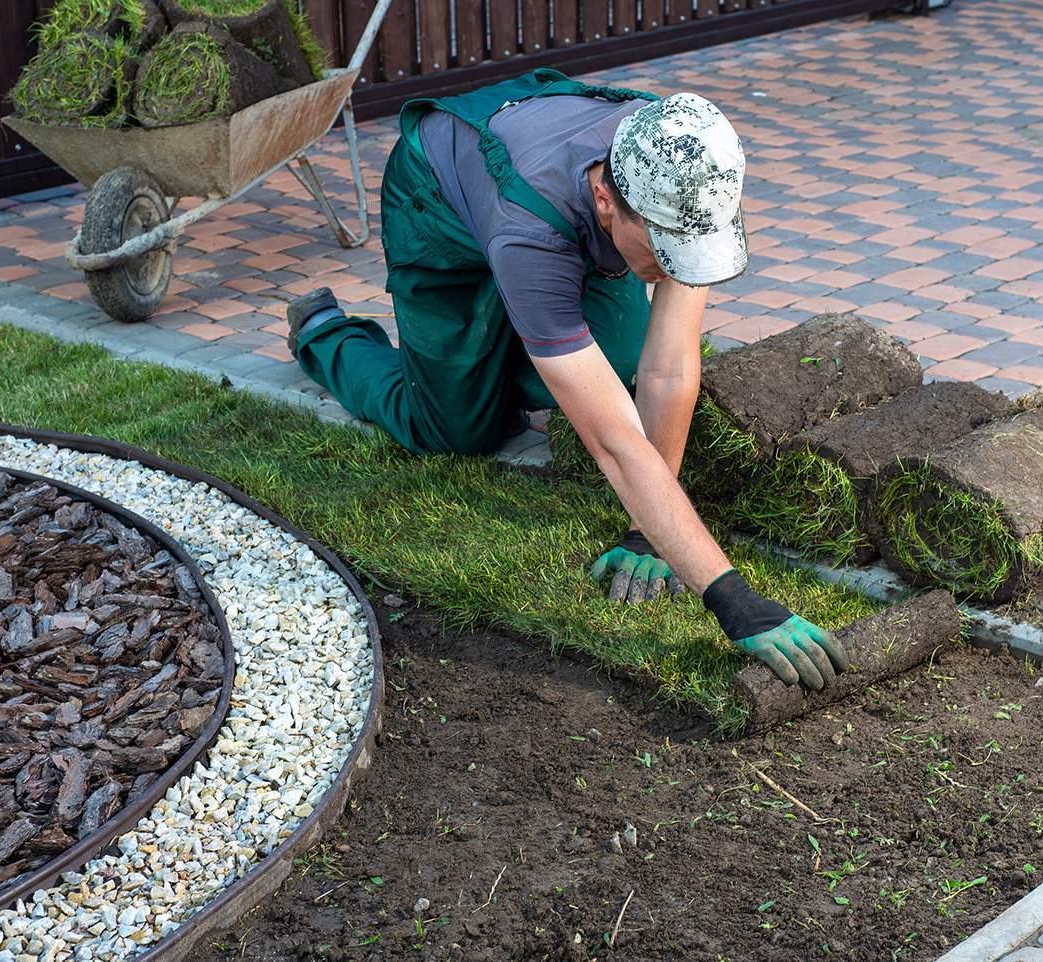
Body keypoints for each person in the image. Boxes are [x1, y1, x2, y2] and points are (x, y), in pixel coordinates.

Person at [287, 68, 847, 691]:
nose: (674, 268)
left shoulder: (683, 166)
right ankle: (326, 334)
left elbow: (667, 368)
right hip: (439, 195)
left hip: (538, 185)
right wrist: (733, 600)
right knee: (452, 427)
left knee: (621, 360)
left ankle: (520, 333)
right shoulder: (530, 230)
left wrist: (647, 534)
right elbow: (614, 442)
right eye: (663, 251)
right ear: (607, 201)